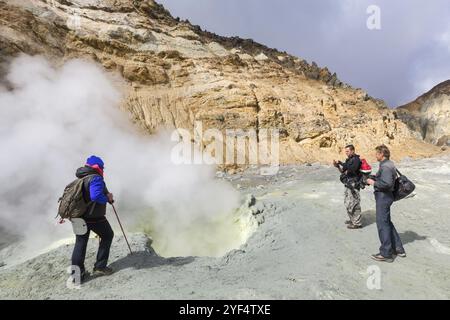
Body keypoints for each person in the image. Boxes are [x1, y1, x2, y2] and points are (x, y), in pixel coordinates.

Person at [71, 155, 115, 281]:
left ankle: (76, 276)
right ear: (98, 167)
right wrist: (108, 198)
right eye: (102, 167)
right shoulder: (95, 178)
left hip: (77, 216)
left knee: (80, 243)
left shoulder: (81, 178)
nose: (102, 170)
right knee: (107, 235)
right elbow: (95, 197)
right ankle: (100, 267)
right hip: (93, 217)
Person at [367, 145, 406, 263]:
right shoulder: (388, 164)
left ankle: (386, 253)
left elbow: (387, 184)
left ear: (381, 154)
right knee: (387, 222)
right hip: (386, 197)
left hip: (384, 197)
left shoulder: (386, 166)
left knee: (382, 225)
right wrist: (374, 177)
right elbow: (385, 180)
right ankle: (398, 248)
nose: (375, 155)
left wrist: (372, 182)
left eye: (376, 153)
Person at [333, 145, 363, 229]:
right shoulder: (349, 160)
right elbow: (343, 171)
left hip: (354, 184)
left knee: (355, 203)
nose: (346, 153)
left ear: (353, 151)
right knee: (348, 202)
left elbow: (353, 169)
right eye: (345, 151)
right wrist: (338, 166)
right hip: (348, 184)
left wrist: (343, 164)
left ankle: (357, 223)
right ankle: (352, 219)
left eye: (348, 151)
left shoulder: (356, 160)